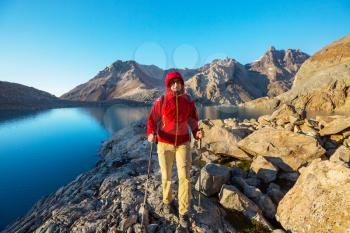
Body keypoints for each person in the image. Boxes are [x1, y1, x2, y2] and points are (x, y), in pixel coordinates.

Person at [147, 71, 204, 229]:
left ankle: (183, 212)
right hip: (164, 143)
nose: (176, 85)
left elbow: (192, 119)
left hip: (183, 143)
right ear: (168, 85)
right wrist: (151, 133)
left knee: (184, 177)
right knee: (166, 175)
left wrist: (196, 132)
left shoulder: (188, 101)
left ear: (182, 84)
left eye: (178, 82)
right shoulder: (162, 100)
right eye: (172, 83)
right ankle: (167, 201)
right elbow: (152, 119)